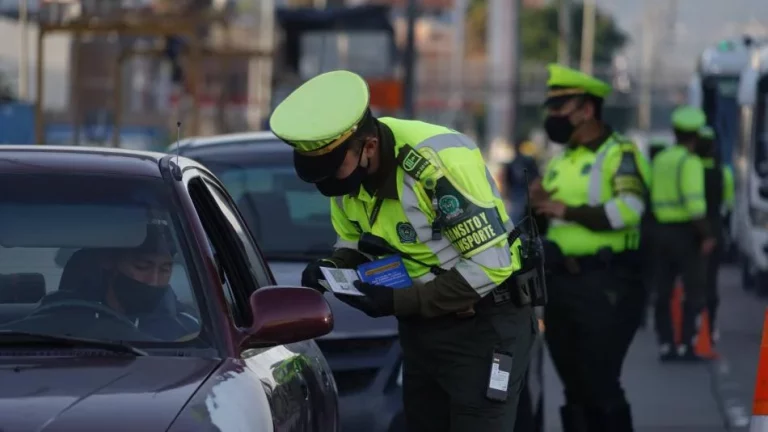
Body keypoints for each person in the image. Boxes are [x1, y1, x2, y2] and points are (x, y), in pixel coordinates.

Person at [269, 70, 543, 432]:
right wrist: (333, 266)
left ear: (367, 146)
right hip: (422, 332)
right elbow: (352, 239)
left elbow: (490, 265)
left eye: (333, 171)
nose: (328, 184)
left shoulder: (434, 164)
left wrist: (399, 302)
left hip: (485, 327)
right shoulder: (347, 177)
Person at [531, 64, 650, 431]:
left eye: (560, 107)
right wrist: (536, 206)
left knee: (600, 383)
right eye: (551, 108)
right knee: (575, 388)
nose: (553, 116)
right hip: (561, 285)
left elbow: (630, 210)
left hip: (607, 283)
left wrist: (567, 209)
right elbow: (545, 222)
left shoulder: (620, 154)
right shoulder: (560, 159)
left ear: (586, 110)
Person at [41, 220, 199, 340]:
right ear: (109, 262)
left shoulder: (189, 331)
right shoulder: (57, 320)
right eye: (142, 266)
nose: (153, 280)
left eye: (165, 270)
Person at [650, 106, 716, 362]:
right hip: (686, 235)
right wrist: (707, 235)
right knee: (694, 290)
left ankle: (666, 343)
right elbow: (695, 206)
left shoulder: (661, 160)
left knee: (663, 292)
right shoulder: (691, 162)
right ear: (696, 136)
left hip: (660, 232)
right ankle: (687, 344)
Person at [696, 125, 735, 343]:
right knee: (710, 282)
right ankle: (709, 328)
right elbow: (728, 205)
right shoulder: (723, 172)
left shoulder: (689, 168)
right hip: (715, 228)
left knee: (691, 282)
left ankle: (690, 329)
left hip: (691, 231)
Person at [503, 140, 541, 224]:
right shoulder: (525, 161)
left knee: (517, 215)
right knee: (518, 215)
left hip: (522, 192)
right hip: (519, 192)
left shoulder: (522, 161)